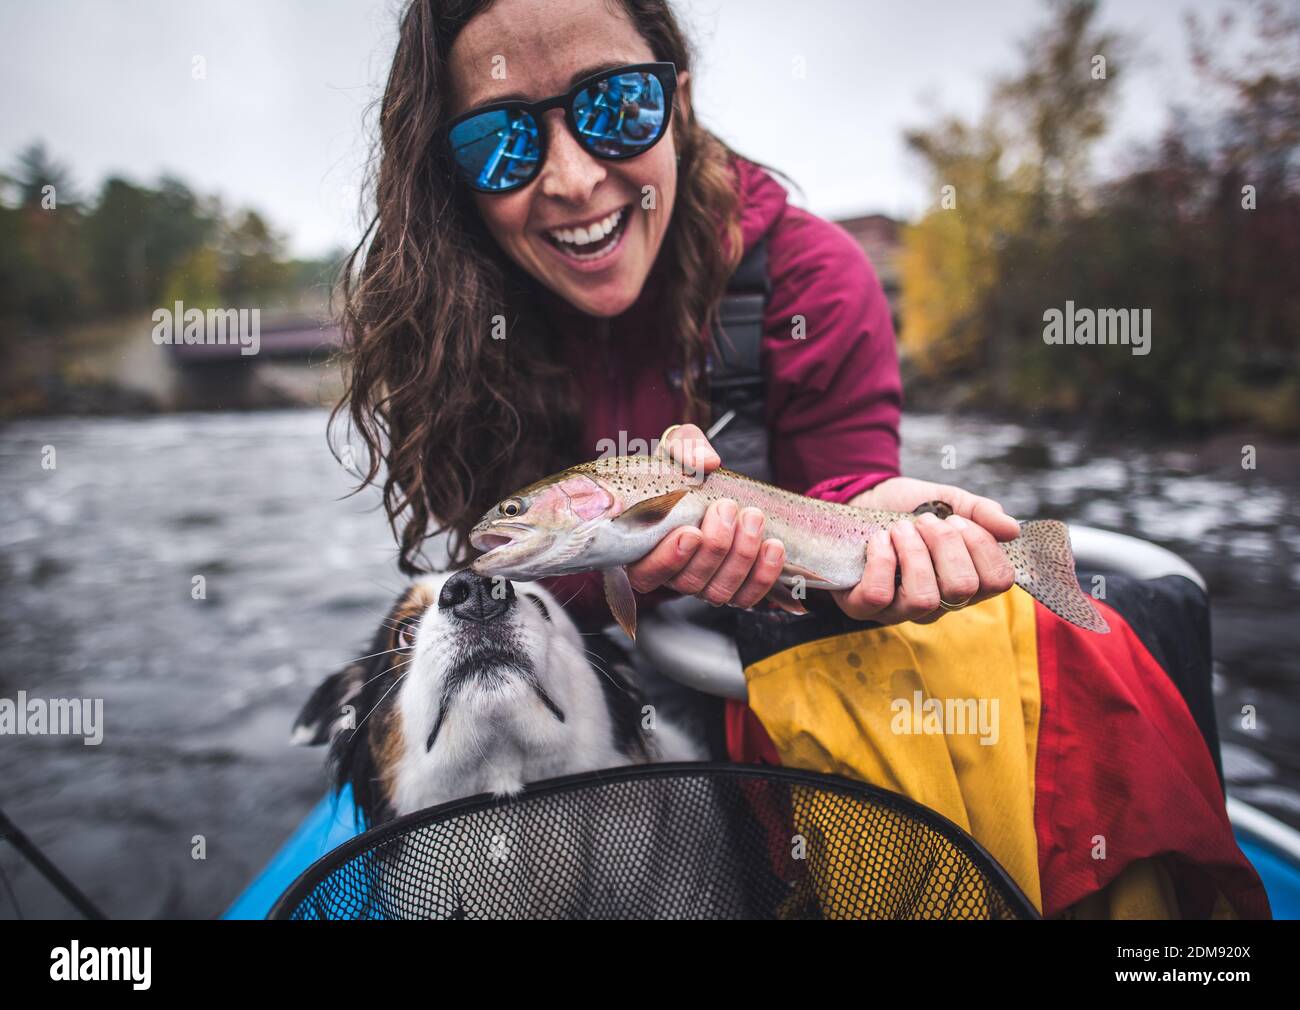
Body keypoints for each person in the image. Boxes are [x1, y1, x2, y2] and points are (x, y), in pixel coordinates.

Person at [337, 0, 1019, 661]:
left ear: (680, 106)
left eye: (617, 105)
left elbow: (846, 490)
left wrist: (876, 509)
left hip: (775, 678)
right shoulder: (450, 324)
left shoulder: (815, 278)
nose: (573, 181)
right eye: (500, 142)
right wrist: (634, 572)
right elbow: (518, 574)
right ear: (451, 178)